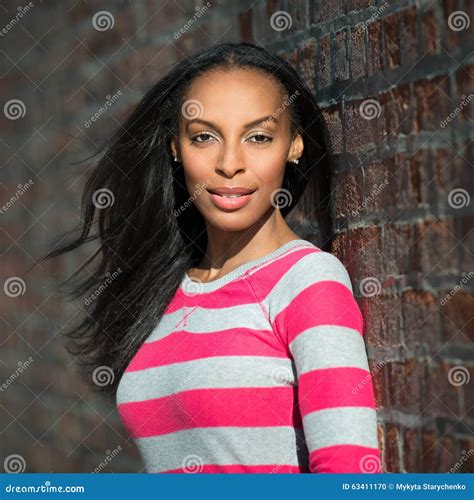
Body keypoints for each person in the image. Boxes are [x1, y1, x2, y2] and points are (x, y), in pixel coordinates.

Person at [40, 42, 381, 473]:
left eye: (258, 137)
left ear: (293, 145)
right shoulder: (169, 288)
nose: (229, 163)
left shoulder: (308, 281)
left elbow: (348, 472)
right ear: (175, 147)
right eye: (204, 136)